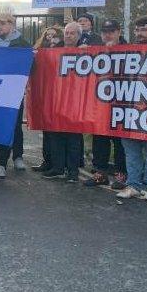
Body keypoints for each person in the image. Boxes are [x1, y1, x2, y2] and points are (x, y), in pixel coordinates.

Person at [115, 16, 147, 201]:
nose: (139, 33)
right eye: (137, 30)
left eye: (144, 29)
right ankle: (134, 184)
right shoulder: (128, 50)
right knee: (131, 148)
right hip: (129, 107)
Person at [0, 13, 31, 178]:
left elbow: (31, 66)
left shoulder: (22, 44)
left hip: (13, 91)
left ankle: (16, 156)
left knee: (14, 125)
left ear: (12, 25)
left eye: (3, 23)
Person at [40, 22, 85, 182]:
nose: (68, 36)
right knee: (55, 135)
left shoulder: (86, 52)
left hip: (75, 101)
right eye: (67, 33)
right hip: (56, 98)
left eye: (72, 33)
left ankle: (73, 172)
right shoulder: (53, 51)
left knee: (73, 137)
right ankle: (58, 168)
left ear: (79, 36)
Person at [86, 19, 128, 188]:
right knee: (100, 139)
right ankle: (100, 172)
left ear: (119, 32)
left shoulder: (130, 49)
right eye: (104, 32)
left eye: (111, 31)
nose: (107, 34)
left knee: (120, 142)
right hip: (102, 103)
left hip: (121, 102)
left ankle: (121, 174)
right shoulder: (96, 50)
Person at [32, 26, 63, 173]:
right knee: (46, 130)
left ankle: (58, 165)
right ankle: (47, 160)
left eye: (54, 35)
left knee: (56, 132)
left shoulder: (63, 50)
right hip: (44, 93)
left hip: (58, 94)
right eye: (47, 35)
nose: (50, 38)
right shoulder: (39, 51)